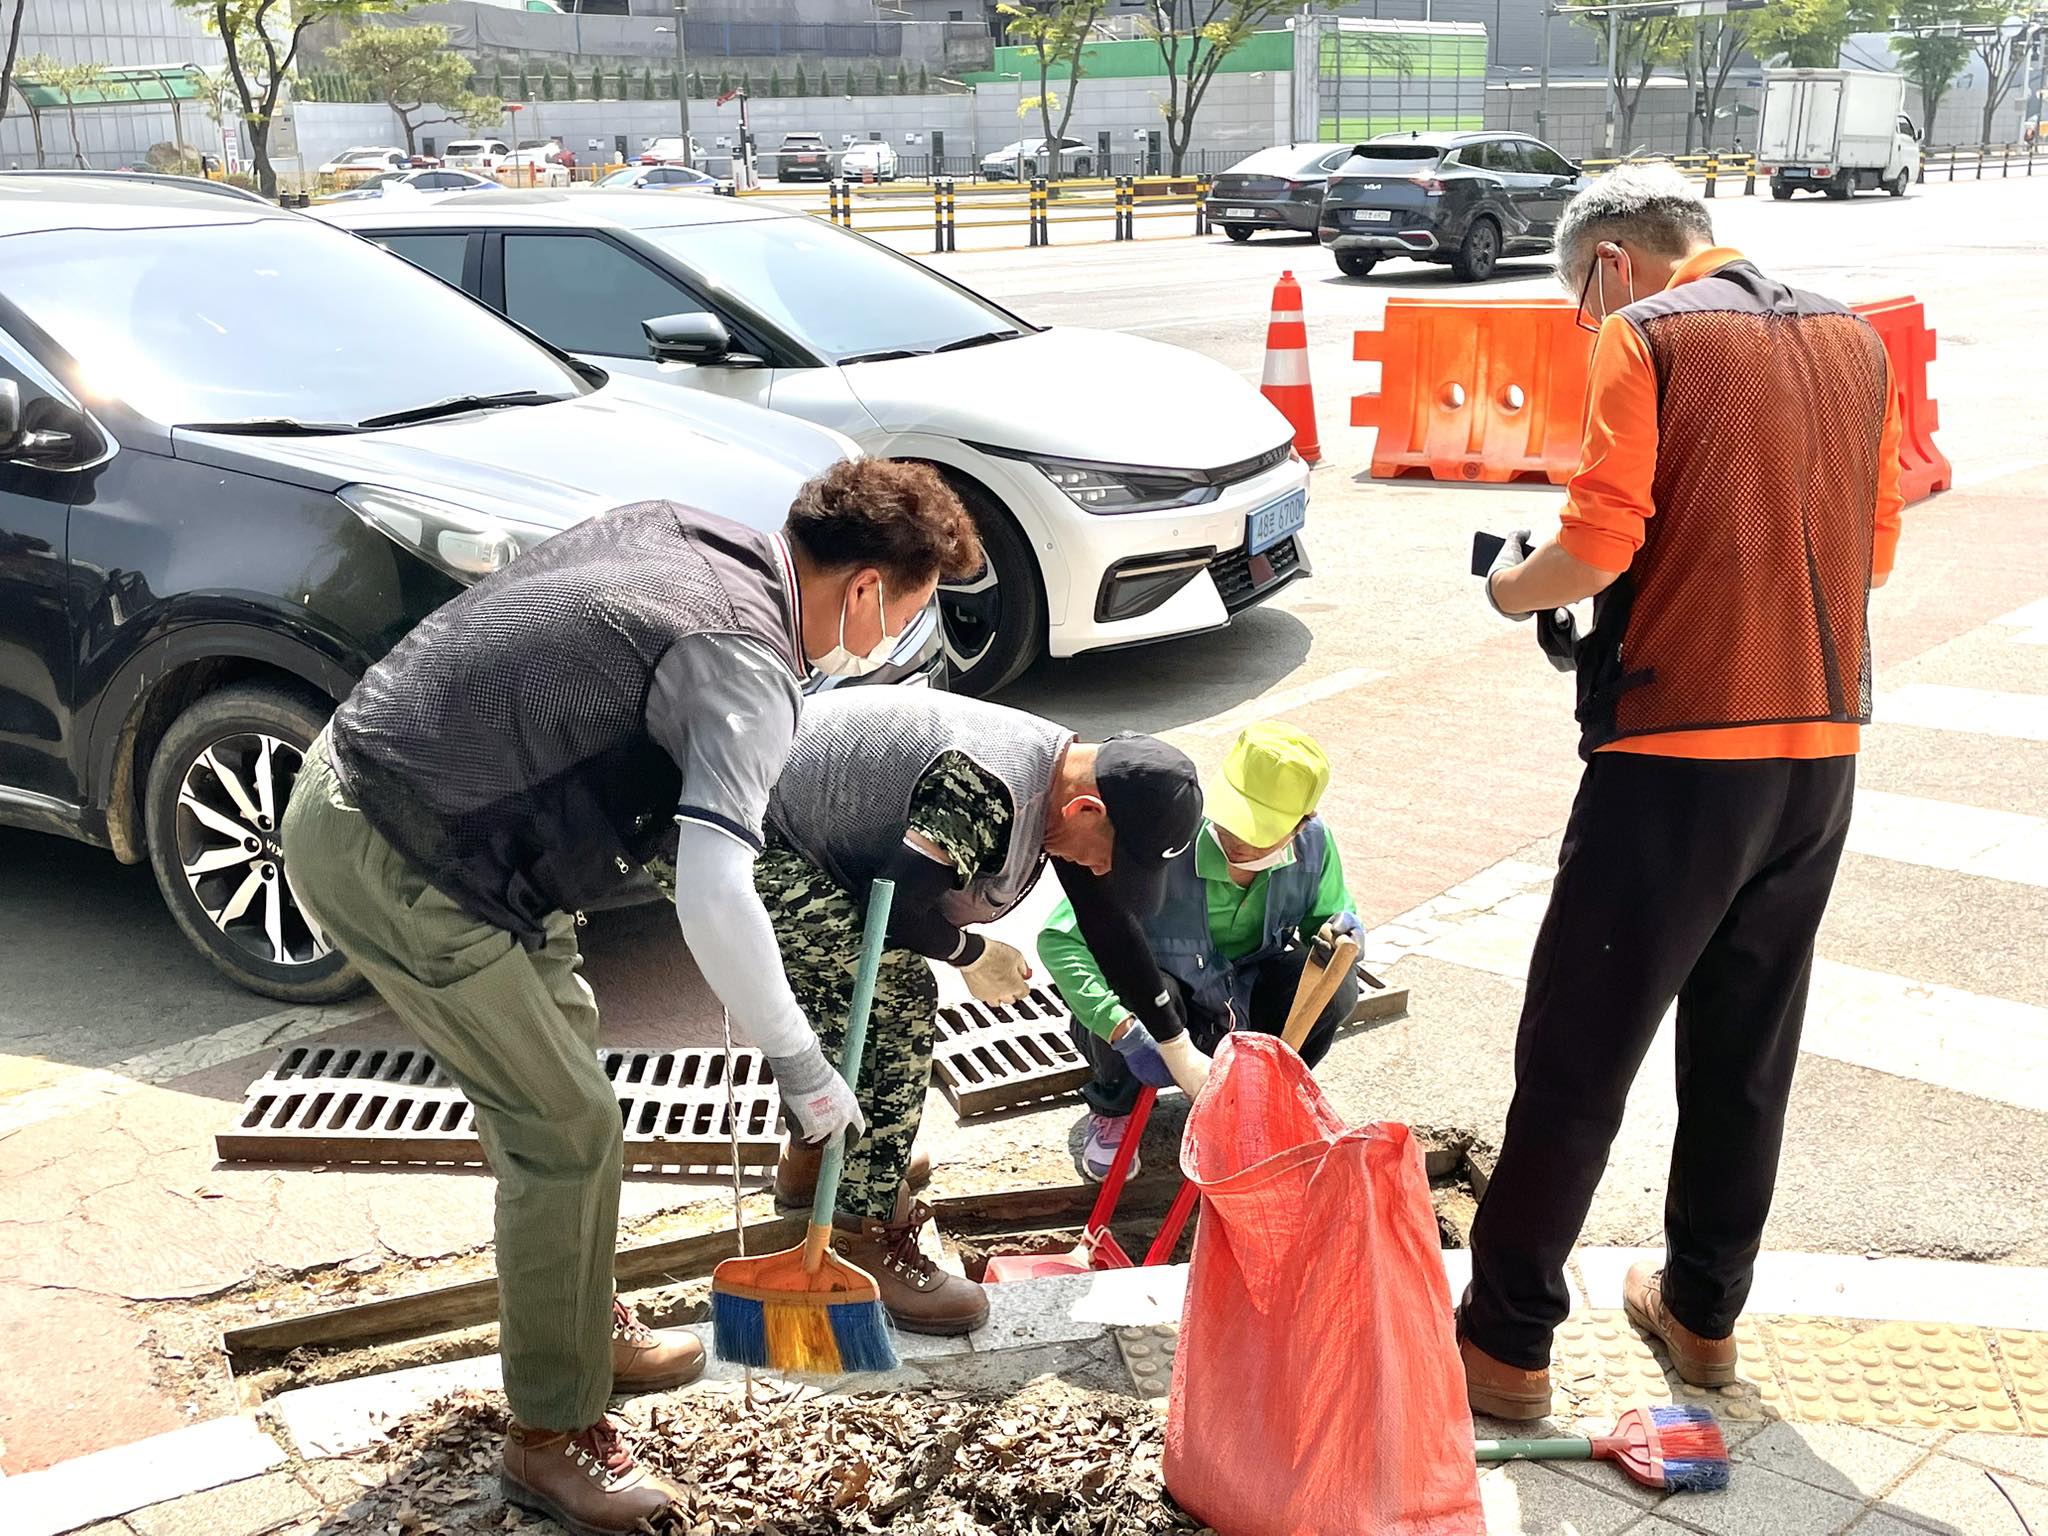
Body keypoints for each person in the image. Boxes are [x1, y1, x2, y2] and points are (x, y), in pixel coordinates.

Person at [281, 460, 980, 1533]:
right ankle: (551, 1439)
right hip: (405, 848)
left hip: (432, 798)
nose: (890, 641)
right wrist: (804, 1072)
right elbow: (713, 888)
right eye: (906, 614)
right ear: (865, 592)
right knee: (563, 1130)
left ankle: (575, 1324)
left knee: (572, 1079)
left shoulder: (693, 532)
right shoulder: (747, 663)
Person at [1458, 165, 1905, 1421]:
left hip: (1671, 758)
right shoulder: (1854, 339)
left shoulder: (1645, 338)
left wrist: (1507, 589)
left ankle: (1505, 1343)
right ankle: (1703, 1313)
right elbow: (1870, 549)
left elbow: (1596, 544)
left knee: (1576, 1051)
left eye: (1578, 303)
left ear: (1611, 260)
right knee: (1743, 1050)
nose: (1585, 325)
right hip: (1819, 752)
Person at [756, 689, 1206, 1333]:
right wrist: (972, 953)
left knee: (849, 989)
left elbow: (1107, 921)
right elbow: (898, 913)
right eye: (1111, 854)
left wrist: (1177, 1047)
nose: (1105, 869)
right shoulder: (985, 790)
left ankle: (824, 1157)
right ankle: (866, 1233)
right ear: (1086, 808)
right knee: (893, 996)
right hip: (750, 832)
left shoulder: (1067, 776)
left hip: (810, 833)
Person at [1039, 722, 1361, 1181]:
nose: (1237, 840)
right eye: (1234, 819)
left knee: (1336, 984)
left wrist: (1345, 934)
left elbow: (1330, 918)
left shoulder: (1314, 847)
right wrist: (1122, 1029)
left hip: (1243, 1002)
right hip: (1160, 1003)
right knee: (1137, 984)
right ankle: (1114, 1108)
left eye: (1259, 831)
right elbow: (1062, 938)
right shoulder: (1166, 837)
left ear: (1301, 825)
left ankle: (1263, 1100)